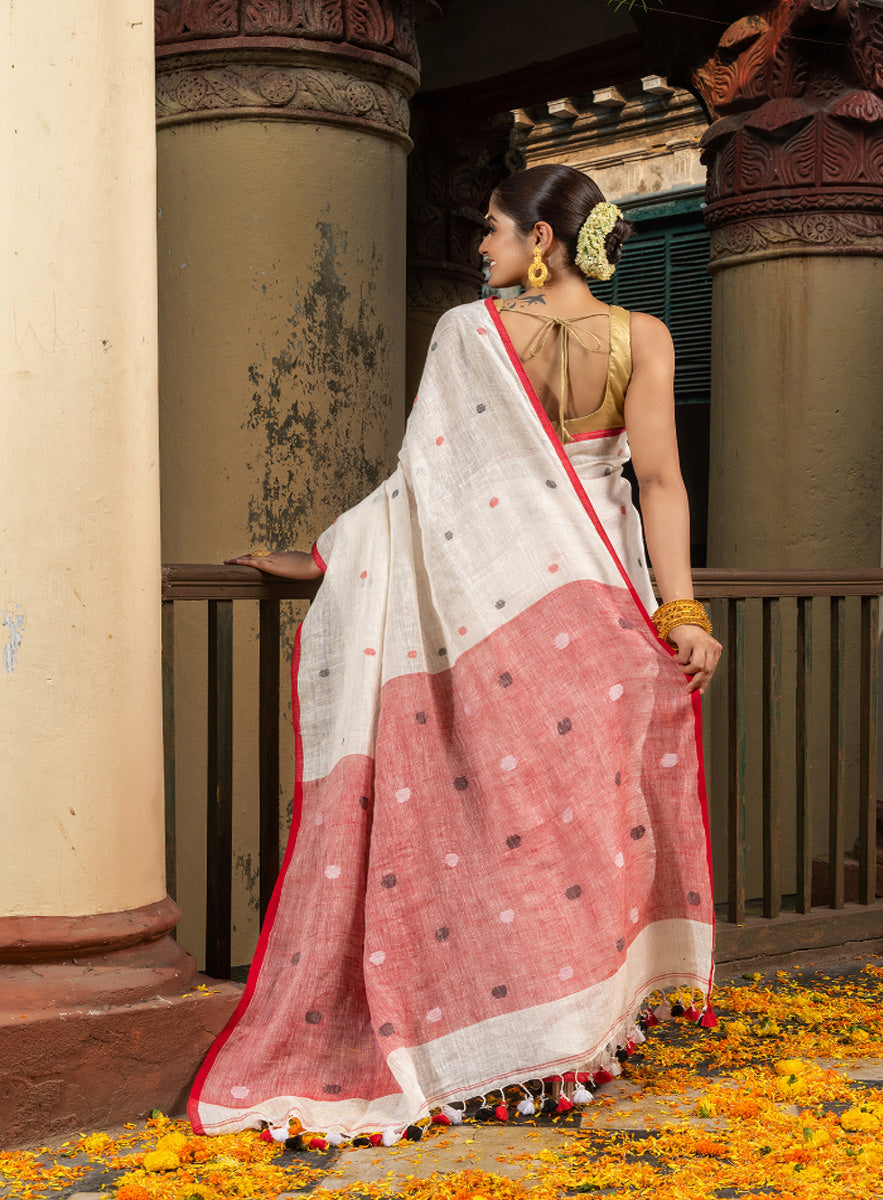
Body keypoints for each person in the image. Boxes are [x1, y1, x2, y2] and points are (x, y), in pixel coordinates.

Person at [189, 164, 721, 1144]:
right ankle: (569, 1048)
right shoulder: (643, 338)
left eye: (491, 230)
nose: (482, 246)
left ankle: (494, 1059)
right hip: (603, 616)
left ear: (541, 241)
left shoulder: (470, 336)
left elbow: (428, 496)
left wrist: (326, 558)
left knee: (488, 832)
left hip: (488, 610)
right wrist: (679, 610)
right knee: (575, 841)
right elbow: (660, 483)